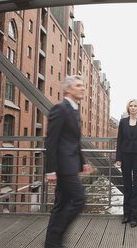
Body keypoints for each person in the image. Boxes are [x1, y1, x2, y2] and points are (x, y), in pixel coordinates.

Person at [45, 75, 93, 248]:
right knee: (79, 200)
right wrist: (50, 170)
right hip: (64, 166)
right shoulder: (60, 108)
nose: (82, 88)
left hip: (71, 163)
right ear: (67, 89)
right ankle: (56, 236)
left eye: (83, 86)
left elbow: (73, 139)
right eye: (78, 85)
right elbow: (51, 140)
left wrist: (82, 162)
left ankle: (51, 243)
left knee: (61, 204)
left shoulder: (73, 110)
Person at [116, 99, 137, 228]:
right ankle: (126, 215)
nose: (133, 108)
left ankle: (134, 216)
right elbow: (119, 140)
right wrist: (118, 158)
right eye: (131, 106)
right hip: (125, 157)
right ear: (128, 108)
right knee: (127, 186)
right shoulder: (123, 122)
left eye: (135, 106)